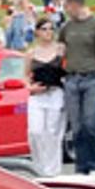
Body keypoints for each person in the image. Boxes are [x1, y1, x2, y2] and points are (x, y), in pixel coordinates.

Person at [56, 0, 95, 175]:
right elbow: (60, 49)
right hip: (72, 79)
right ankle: (81, 166)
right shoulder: (67, 27)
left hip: (92, 79)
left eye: (66, 6)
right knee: (77, 125)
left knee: (90, 123)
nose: (65, 9)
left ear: (75, 4)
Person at [25, 18, 67, 178]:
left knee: (52, 132)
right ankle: (40, 167)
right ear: (37, 31)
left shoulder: (60, 50)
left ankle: (53, 171)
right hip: (37, 95)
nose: (48, 32)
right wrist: (30, 87)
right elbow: (25, 76)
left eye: (51, 29)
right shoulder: (31, 53)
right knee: (35, 131)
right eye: (44, 28)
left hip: (55, 93)